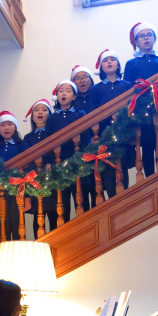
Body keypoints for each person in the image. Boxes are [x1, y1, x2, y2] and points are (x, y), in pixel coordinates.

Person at [90, 49, 134, 197]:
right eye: (105, 60)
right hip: (104, 134)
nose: (109, 62)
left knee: (123, 165)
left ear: (118, 64)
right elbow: (93, 112)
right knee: (108, 167)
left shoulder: (127, 85)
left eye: (112, 59)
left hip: (123, 133)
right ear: (101, 67)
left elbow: (131, 107)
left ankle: (124, 196)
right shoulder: (96, 89)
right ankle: (111, 198)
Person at [124, 23, 158, 177]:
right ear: (136, 42)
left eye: (149, 35)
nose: (146, 38)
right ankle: (150, 177)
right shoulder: (131, 63)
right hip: (142, 110)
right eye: (142, 36)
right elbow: (128, 87)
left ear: (154, 38)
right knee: (147, 145)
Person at [45, 80, 86, 221]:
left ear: (74, 96)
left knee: (80, 197)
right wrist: (50, 161)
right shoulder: (52, 118)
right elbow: (48, 142)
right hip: (58, 162)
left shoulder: (80, 114)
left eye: (68, 91)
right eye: (61, 91)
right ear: (57, 96)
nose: (64, 93)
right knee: (62, 200)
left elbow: (85, 136)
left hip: (76, 161)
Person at [22, 100, 58, 236]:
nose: (40, 112)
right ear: (32, 116)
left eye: (44, 109)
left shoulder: (53, 134)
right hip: (35, 181)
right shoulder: (28, 138)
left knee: (54, 215)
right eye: (37, 110)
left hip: (51, 181)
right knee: (38, 217)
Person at [0, 111, 29, 240]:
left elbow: (29, 170)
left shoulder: (22, 145)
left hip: (18, 190)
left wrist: (28, 196)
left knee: (18, 224)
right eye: (2, 125)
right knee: (3, 224)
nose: (6, 128)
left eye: (9, 124)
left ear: (15, 126)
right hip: (0, 190)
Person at [71, 66, 98, 211]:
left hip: (97, 146)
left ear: (91, 79)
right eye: (77, 78)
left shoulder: (97, 95)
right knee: (81, 188)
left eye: (85, 76)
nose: (81, 80)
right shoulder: (72, 103)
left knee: (97, 187)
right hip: (78, 149)